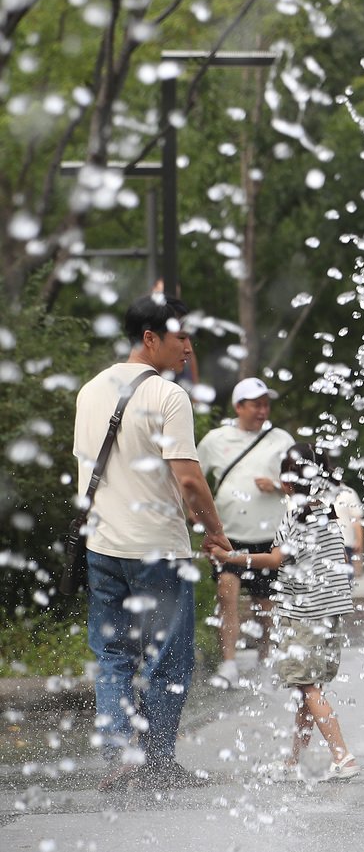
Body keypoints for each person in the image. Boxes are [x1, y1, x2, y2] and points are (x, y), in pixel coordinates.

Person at [74, 296, 230, 792]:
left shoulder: (89, 390)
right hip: (158, 550)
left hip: (102, 546)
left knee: (115, 654)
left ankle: (122, 753)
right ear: (150, 338)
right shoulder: (168, 395)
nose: (188, 346)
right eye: (180, 336)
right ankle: (157, 760)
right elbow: (188, 479)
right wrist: (215, 531)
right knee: (168, 656)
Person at [211, 444, 359, 783]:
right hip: (329, 610)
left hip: (305, 611)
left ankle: (342, 755)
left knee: (308, 686)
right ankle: (294, 760)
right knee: (306, 687)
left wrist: (230, 557)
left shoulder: (294, 512)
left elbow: (276, 560)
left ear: (286, 482)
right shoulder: (324, 509)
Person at [197, 376, 296, 688]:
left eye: (266, 404)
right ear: (239, 406)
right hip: (229, 535)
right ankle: (228, 662)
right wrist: (197, 519)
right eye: (256, 404)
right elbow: (195, 480)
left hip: (269, 536)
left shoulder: (281, 439)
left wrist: (278, 486)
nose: (263, 410)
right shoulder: (215, 440)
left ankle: (266, 657)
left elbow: (305, 483)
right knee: (227, 592)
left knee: (264, 604)